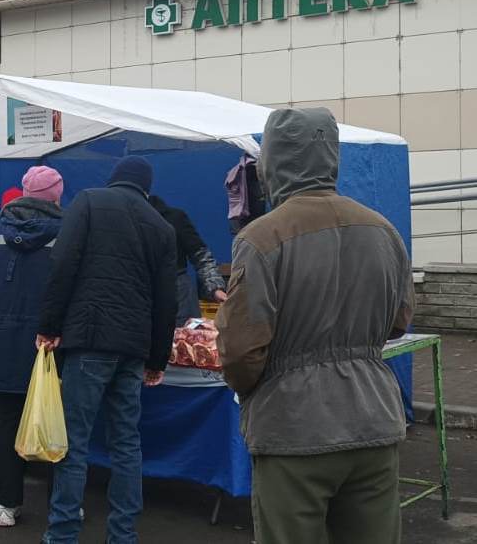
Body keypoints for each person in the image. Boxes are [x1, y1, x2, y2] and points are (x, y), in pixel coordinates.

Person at [217, 108, 414, 544]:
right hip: (374, 424)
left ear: (272, 162)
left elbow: (241, 352)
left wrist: (257, 389)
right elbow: (399, 322)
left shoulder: (260, 237)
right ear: (331, 156)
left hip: (293, 429)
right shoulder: (383, 230)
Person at [36, 156, 177, 544]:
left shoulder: (88, 202)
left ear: (115, 179)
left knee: (74, 441)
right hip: (132, 347)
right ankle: (123, 535)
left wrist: (49, 325)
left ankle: (63, 533)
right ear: (146, 188)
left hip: (89, 339)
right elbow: (167, 300)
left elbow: (62, 264)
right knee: (127, 443)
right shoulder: (161, 227)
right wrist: (157, 358)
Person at [0, 165, 64, 528]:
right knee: (58, 423)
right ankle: (61, 506)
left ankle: (5, 505)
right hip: (53, 348)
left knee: (6, 422)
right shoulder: (70, 236)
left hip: (0, 344)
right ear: (56, 196)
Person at [147, 195, 228, 325]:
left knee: (187, 340)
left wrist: (215, 287)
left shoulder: (175, 218)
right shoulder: (122, 221)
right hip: (141, 296)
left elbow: (201, 256)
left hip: (179, 295)